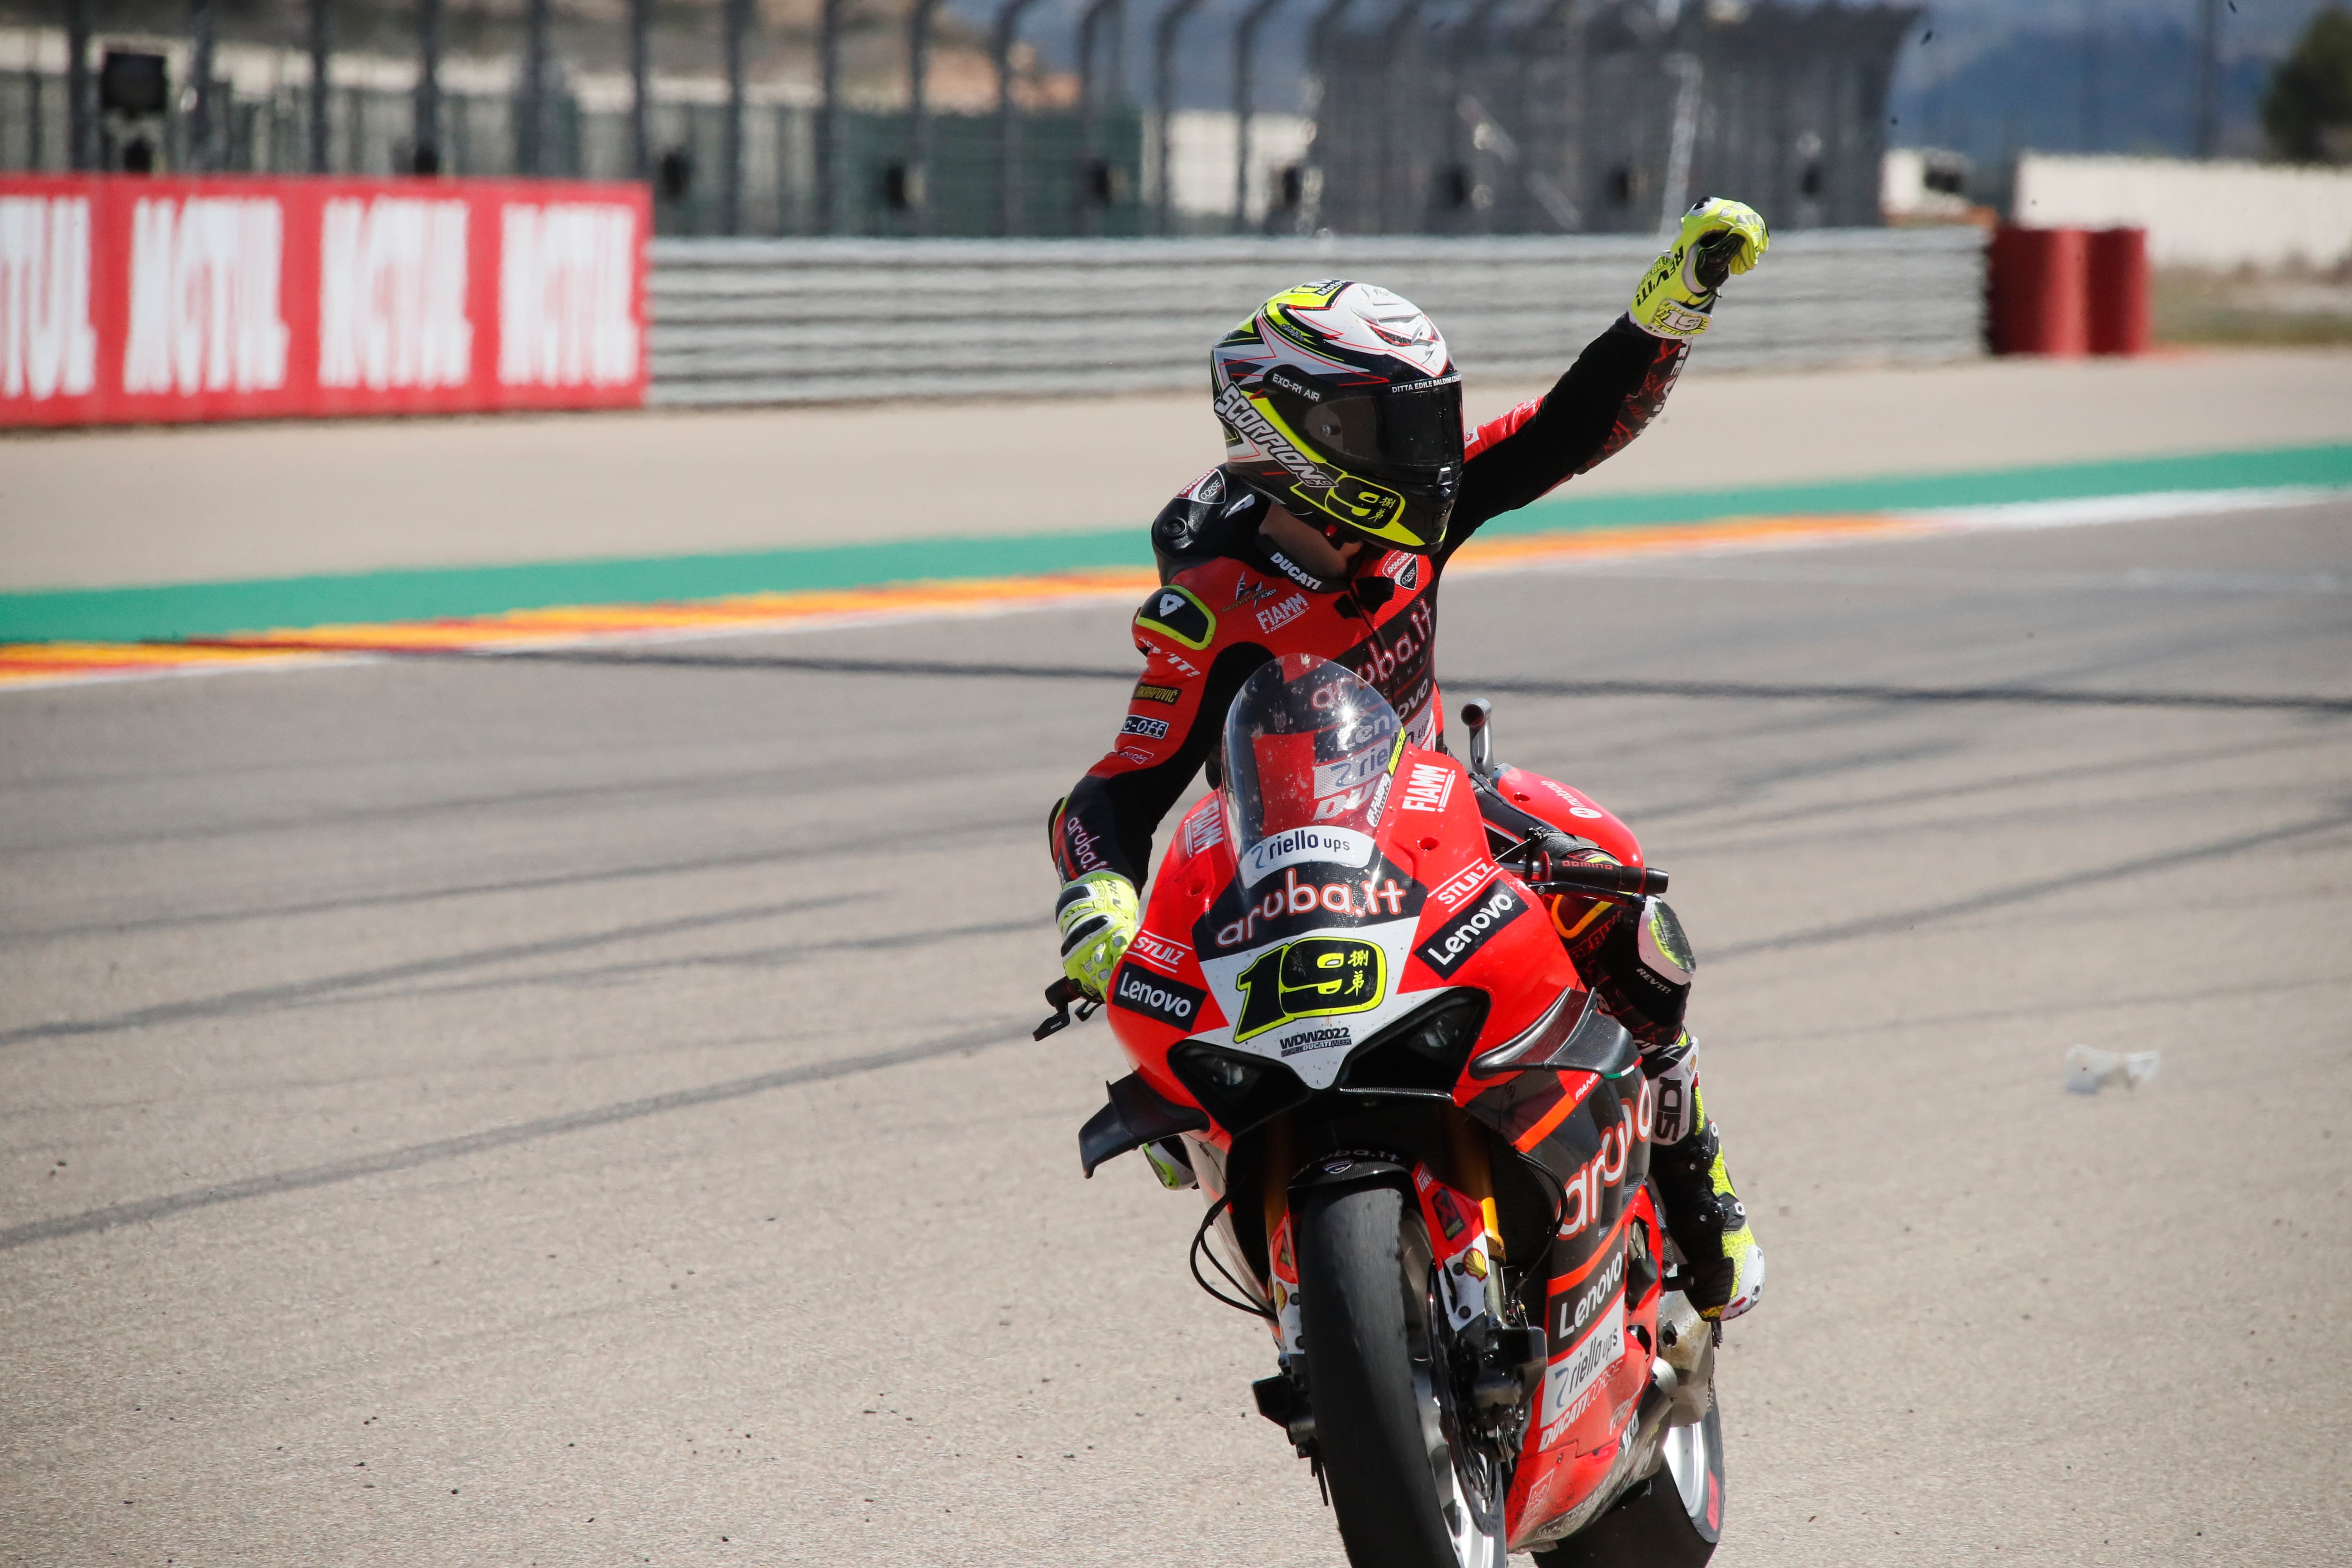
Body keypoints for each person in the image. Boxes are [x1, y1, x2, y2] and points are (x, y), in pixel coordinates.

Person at [1047, 198, 1769, 1322]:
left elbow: (1565, 432)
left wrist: (1668, 309)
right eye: (1395, 431)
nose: (1430, 461)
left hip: (1439, 816)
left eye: (1432, 424)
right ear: (1292, 437)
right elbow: (1118, 787)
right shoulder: (1211, 598)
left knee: (1629, 907)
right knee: (1160, 1074)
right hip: (1268, 872)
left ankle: (1692, 1160)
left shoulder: (1409, 517)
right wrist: (1095, 896)